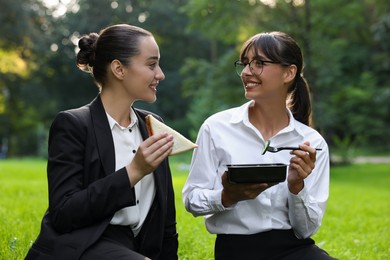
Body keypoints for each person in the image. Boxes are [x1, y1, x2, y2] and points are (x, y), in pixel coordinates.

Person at [25, 24, 178, 260]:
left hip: (136, 249)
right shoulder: (73, 124)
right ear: (119, 69)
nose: (160, 74)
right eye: (151, 64)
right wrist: (134, 171)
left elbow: (166, 219)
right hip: (82, 244)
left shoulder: (153, 124)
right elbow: (63, 213)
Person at [182, 31, 336, 259]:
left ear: (289, 72)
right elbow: (191, 199)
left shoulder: (311, 143)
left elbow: (306, 230)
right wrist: (228, 196)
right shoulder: (216, 128)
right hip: (236, 250)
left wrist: (297, 186)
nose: (246, 72)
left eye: (258, 63)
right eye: (244, 64)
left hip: (294, 249)